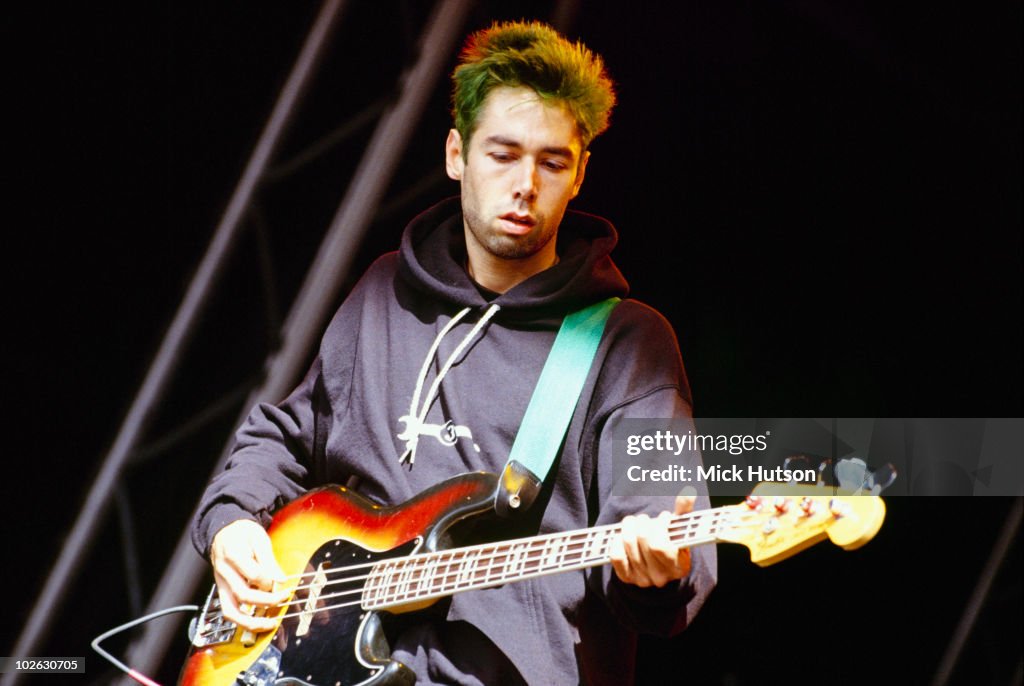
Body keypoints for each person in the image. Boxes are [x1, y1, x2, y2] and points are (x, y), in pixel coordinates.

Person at [191, 20, 716, 685]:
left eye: (552, 161)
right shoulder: (382, 293)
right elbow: (285, 436)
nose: (526, 182)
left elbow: (660, 523)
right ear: (456, 154)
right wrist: (233, 523)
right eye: (503, 153)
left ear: (580, 173)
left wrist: (660, 569)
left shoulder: (629, 343)